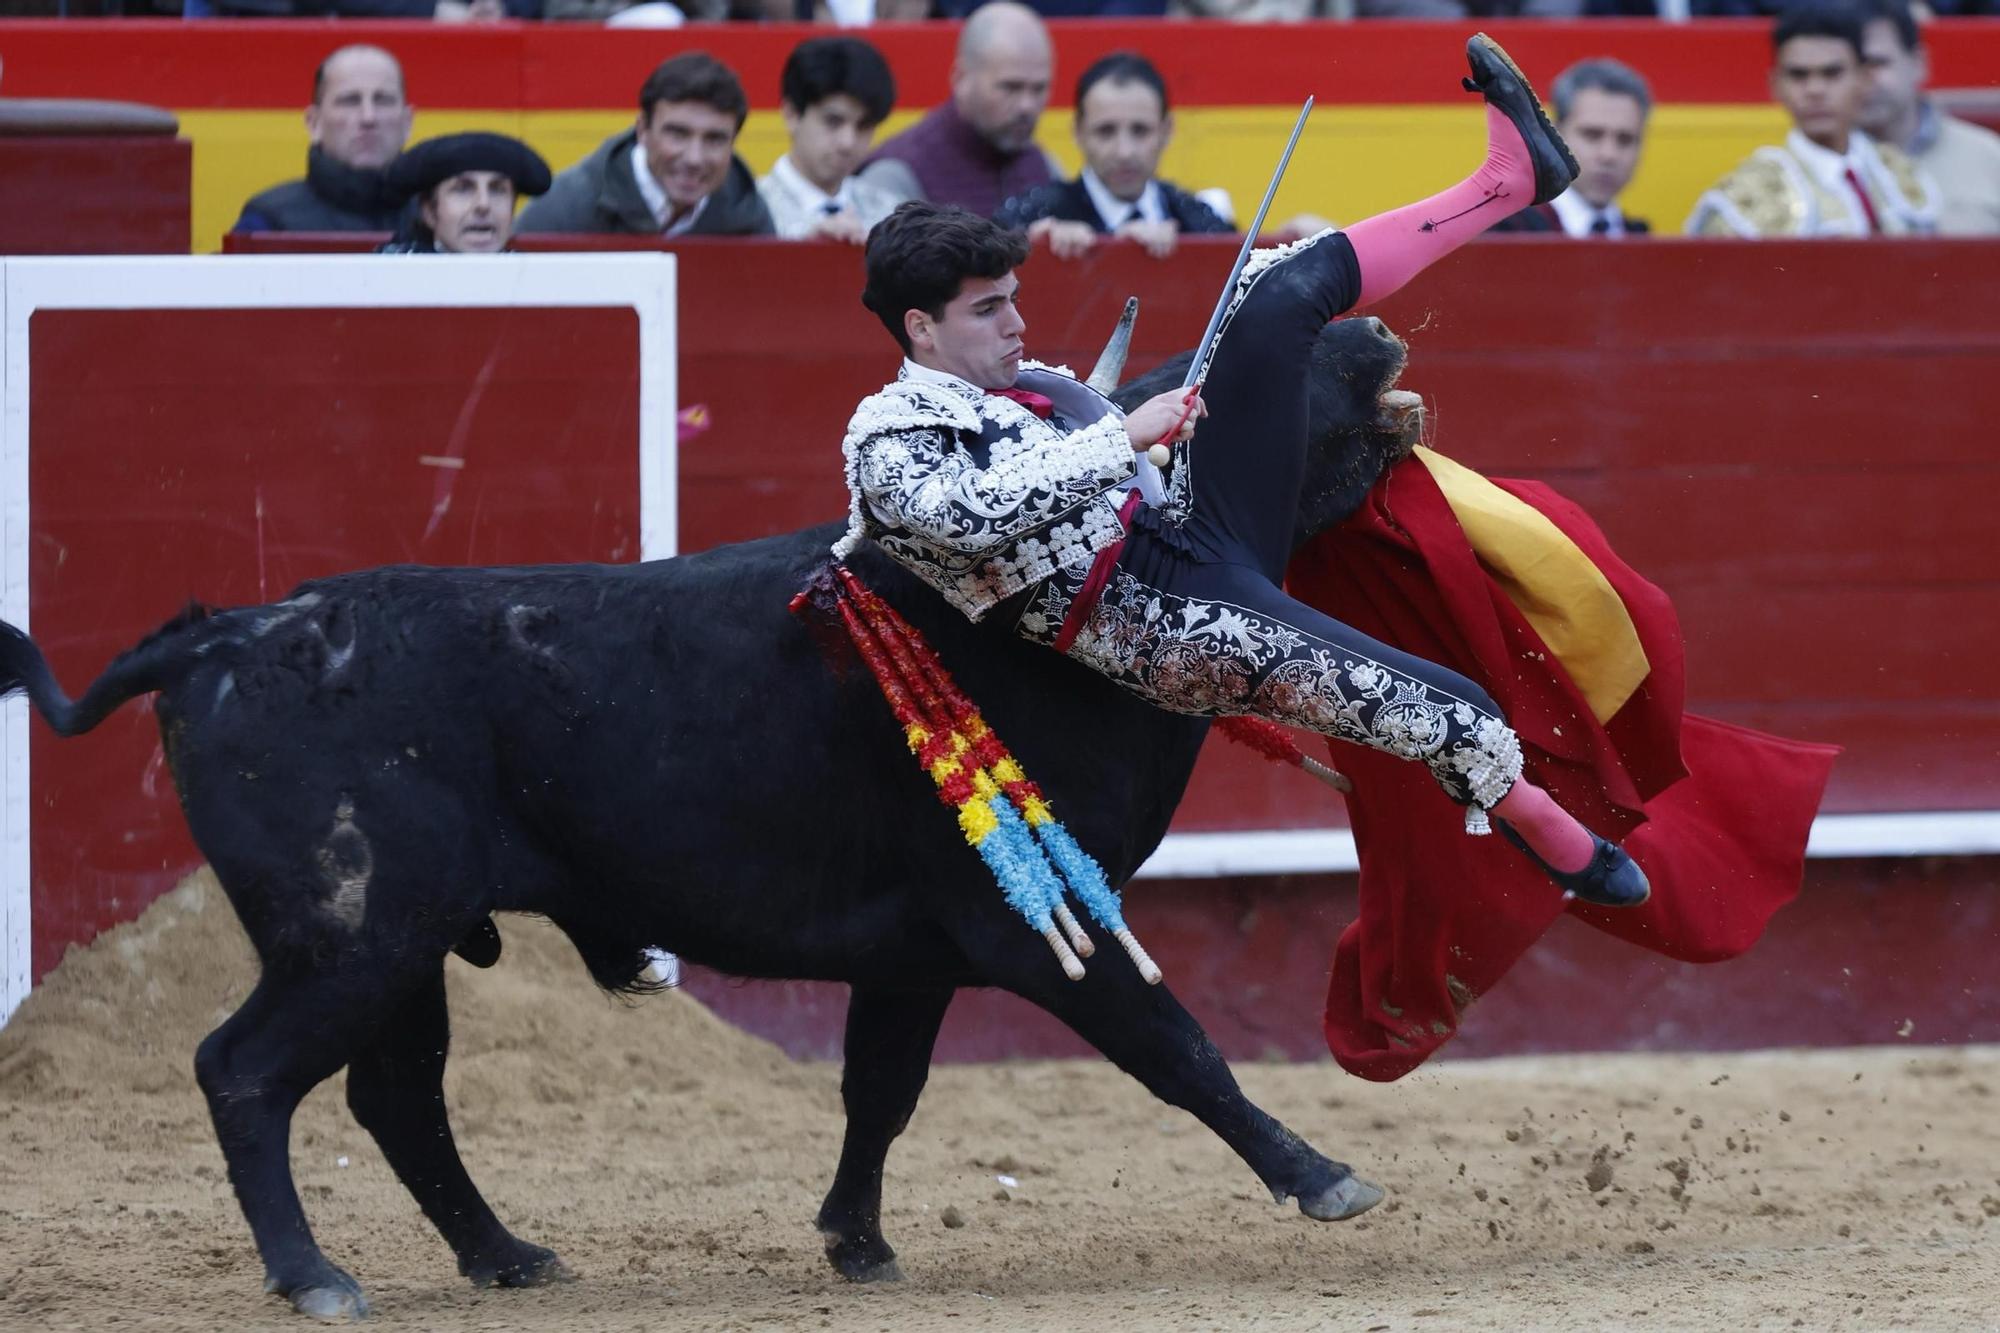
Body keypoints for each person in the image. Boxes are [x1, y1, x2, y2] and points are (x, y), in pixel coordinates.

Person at [833, 36, 1652, 909]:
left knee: (1275, 288)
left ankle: (1508, 180)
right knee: (1444, 705)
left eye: (1014, 300)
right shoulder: (888, 436)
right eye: (989, 309)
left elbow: (1096, 466)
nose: (1016, 324)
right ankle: (1547, 828)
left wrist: (1144, 437)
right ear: (920, 330)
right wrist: (1120, 439)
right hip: (1159, 623)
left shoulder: (1025, 384)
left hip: (1182, 519)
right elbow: (969, 515)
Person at [1686, 1, 1937, 237]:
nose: (1815, 90)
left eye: (1832, 73)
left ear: (1863, 79)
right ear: (1775, 85)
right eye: (1798, 75)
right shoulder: (1744, 197)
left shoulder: (1899, 173)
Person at [994, 52, 1232, 260]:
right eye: (1105, 131)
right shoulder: (1032, 223)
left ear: (1166, 130)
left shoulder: (1198, 223)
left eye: (1140, 131)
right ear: (1078, 131)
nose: (1124, 152)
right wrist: (1033, 255)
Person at [516, 52, 774, 238]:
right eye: (678, 134)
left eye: (714, 139)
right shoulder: (565, 208)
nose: (695, 158)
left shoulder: (748, 214)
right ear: (643, 130)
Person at [858, 1, 1061, 217]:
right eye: (1010, 87)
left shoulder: (1044, 167)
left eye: (1039, 89)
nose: (1026, 106)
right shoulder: (896, 177)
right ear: (961, 78)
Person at [232, 44, 414, 235]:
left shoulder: (439, 220)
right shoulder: (268, 221)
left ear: (407, 122)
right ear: (314, 123)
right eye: (349, 101)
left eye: (383, 101)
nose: (368, 117)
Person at [1858, 0, 2000, 234]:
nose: (1864, 80)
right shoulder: (1816, 166)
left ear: (1918, 63)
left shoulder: (1990, 156)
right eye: (1849, 67)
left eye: (1877, 63)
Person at [759, 36, 905, 244]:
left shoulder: (893, 217)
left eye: (863, 126)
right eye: (833, 121)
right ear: (791, 114)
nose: (848, 142)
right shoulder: (743, 214)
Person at [1494, 58, 1653, 236]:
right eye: (1592, 135)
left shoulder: (1642, 239)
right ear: (1554, 135)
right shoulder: (1508, 233)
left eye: (1625, 140)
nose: (1609, 154)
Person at [376, 132, 552, 254]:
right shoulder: (386, 279)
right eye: (463, 189)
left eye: (498, 189)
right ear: (429, 212)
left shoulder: (536, 283)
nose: (483, 204)